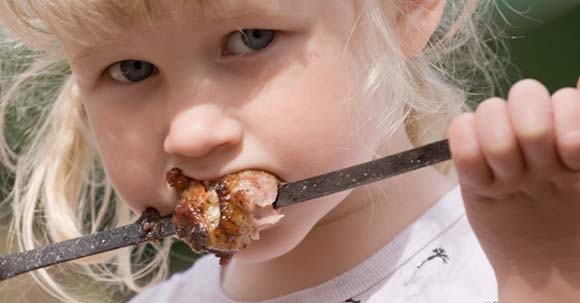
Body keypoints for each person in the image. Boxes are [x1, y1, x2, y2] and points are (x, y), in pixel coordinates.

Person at [0, 1, 578, 302]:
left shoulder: (532, 258)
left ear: (404, 6)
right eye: (132, 69)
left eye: (250, 38)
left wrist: (546, 281)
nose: (191, 135)